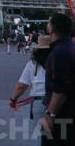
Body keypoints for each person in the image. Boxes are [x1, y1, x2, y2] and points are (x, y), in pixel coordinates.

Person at [40, 13, 75, 145]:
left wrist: (50, 115)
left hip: (61, 116)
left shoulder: (59, 52)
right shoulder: (69, 48)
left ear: (52, 28)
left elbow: (60, 89)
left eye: (49, 23)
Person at [9, 35, 50, 124]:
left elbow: (22, 86)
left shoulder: (32, 64)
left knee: (42, 133)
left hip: (40, 102)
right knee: (62, 133)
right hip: (58, 102)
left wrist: (13, 99)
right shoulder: (59, 61)